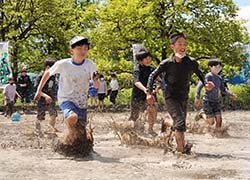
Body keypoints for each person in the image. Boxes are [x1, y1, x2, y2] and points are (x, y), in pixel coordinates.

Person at [147, 32, 214, 154]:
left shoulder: (191, 62)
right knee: (180, 122)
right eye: (179, 44)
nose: (183, 46)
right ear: (172, 46)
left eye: (184, 44)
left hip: (184, 96)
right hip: (170, 96)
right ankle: (181, 153)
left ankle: (166, 122)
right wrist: (149, 93)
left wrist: (206, 83)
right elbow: (152, 75)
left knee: (180, 124)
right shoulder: (167, 63)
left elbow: (200, 74)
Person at [34, 36, 98, 144]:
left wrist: (96, 82)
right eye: (79, 48)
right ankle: (68, 133)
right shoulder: (63, 64)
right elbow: (47, 73)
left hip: (81, 101)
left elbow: (95, 84)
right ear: (71, 50)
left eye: (85, 48)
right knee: (72, 117)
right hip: (66, 98)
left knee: (81, 134)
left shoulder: (90, 64)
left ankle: (70, 142)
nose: (82, 51)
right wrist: (38, 91)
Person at [194, 58, 237, 129]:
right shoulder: (208, 76)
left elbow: (223, 90)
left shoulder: (219, 78)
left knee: (219, 119)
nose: (218, 68)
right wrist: (197, 97)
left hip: (216, 101)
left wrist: (231, 94)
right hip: (207, 101)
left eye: (219, 67)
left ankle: (218, 135)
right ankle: (202, 114)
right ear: (210, 67)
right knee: (211, 122)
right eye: (216, 67)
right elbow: (199, 86)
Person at [129, 49, 158, 136]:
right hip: (138, 95)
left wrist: (157, 88)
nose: (149, 60)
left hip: (150, 94)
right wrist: (145, 90)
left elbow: (159, 80)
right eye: (146, 58)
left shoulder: (153, 68)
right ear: (140, 61)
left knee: (152, 109)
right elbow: (136, 82)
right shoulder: (137, 69)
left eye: (150, 58)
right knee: (134, 117)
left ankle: (150, 129)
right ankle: (131, 131)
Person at [34, 57, 59, 134]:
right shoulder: (40, 76)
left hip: (51, 97)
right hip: (41, 98)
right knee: (40, 115)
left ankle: (51, 128)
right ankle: (37, 129)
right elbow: (37, 90)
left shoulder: (52, 76)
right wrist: (45, 96)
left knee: (53, 114)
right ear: (48, 67)